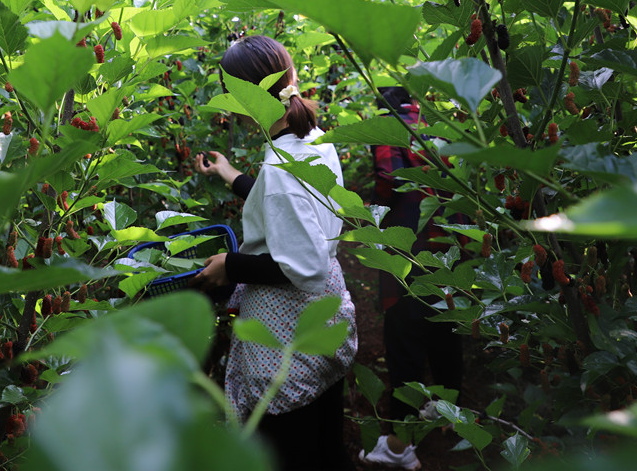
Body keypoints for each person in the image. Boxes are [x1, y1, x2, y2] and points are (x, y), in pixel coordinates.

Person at [191, 35, 357, 471]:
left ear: (244, 97)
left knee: (289, 451)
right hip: (324, 318)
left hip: (287, 334)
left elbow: (301, 264)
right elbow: (284, 203)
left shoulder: (283, 166)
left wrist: (231, 265)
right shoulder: (313, 140)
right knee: (324, 440)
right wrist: (231, 174)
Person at [360, 87, 465, 470]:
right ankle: (446, 412)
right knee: (445, 329)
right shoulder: (439, 125)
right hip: (449, 245)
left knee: (405, 344)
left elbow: (389, 176)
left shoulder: (389, 127)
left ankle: (399, 445)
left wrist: (375, 214)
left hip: (409, 247)